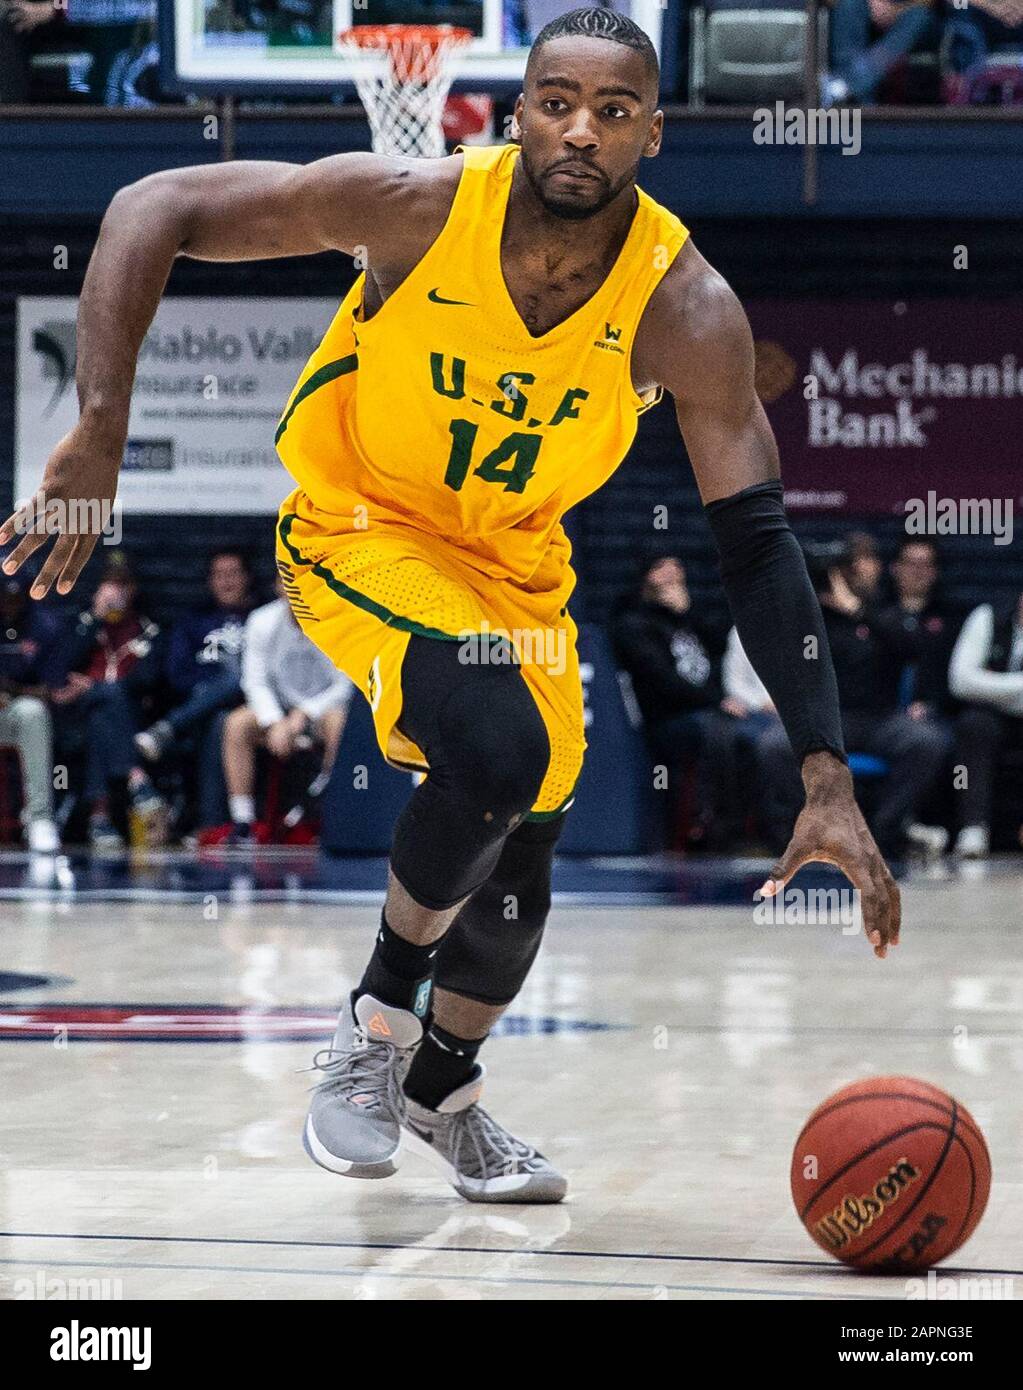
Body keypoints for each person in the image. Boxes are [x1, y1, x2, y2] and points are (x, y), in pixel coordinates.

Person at [0, 8, 899, 1203]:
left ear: (653, 133)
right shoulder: (418, 207)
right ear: (518, 111)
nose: (583, 129)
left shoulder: (687, 307)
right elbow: (150, 208)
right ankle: (375, 1027)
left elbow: (759, 543)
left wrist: (825, 771)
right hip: (358, 531)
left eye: (615, 111)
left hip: (517, 569)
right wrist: (100, 430)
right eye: (559, 101)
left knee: (528, 844)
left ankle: (446, 1087)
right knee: (496, 741)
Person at [757, 543, 951, 856]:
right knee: (773, 746)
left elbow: (912, 648)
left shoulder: (881, 613)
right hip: (824, 720)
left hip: (880, 718)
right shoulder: (809, 618)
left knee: (928, 743)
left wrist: (857, 610)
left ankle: (883, 831)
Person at [611, 552, 747, 850]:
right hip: (665, 719)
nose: (673, 573)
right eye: (662, 567)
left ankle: (752, 828)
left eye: (677, 565)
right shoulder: (633, 624)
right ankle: (708, 829)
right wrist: (717, 701)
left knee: (758, 737)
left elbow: (720, 648)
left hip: (708, 711)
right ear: (646, 576)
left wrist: (687, 613)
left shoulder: (688, 617)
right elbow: (662, 681)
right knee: (715, 732)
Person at [222, 579, 352, 844]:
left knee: (341, 722)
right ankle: (243, 822)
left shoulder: (339, 620)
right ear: (279, 588)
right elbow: (254, 680)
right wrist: (274, 722)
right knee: (237, 723)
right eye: (290, 584)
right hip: (278, 711)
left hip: (321, 712)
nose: (298, 592)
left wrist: (305, 713)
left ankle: (329, 812)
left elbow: (345, 685)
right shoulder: (262, 620)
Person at [51, 557, 167, 848]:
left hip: (129, 717)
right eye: (110, 584)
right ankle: (137, 780)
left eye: (122, 585)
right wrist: (94, 618)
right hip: (76, 716)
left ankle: (99, 818)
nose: (116, 593)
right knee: (101, 709)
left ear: (133, 590)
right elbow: (58, 669)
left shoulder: (148, 630)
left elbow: (148, 681)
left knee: (104, 712)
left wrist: (95, 686)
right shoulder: (82, 624)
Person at [135, 547, 253, 831]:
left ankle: (166, 729)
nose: (227, 582)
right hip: (200, 707)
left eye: (233, 574)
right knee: (219, 717)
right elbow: (176, 674)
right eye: (219, 575)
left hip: (252, 702)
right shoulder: (193, 621)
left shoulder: (260, 617)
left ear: (247, 578)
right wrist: (210, 692)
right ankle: (213, 825)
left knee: (239, 678)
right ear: (210, 581)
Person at [948, 589, 1023, 858]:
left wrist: (991, 686)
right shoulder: (986, 617)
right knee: (973, 724)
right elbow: (961, 681)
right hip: (992, 719)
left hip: (1000, 707)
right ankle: (973, 828)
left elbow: (977, 682)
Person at [0, 577, 63, 852]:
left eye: (15, 597)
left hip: (13, 711)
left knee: (33, 713)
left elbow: (51, 690)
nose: (9, 604)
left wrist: (11, 690)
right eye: (4, 597)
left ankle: (39, 818)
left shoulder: (44, 625)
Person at [822, 0, 940, 107]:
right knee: (849, 4)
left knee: (919, 16)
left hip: (914, 19)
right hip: (866, 12)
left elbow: (929, 3)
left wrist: (894, 11)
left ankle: (844, 86)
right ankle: (855, 96)